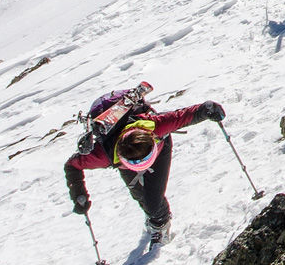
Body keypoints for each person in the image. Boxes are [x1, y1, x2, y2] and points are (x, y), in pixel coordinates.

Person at [64, 84, 225, 245]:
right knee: (140, 195)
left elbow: (183, 116)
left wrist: (206, 110)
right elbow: (72, 165)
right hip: (131, 157)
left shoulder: (155, 125)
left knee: (153, 201)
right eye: (138, 163)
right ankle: (156, 219)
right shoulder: (103, 154)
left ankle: (160, 223)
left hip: (158, 148)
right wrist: (78, 191)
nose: (144, 165)